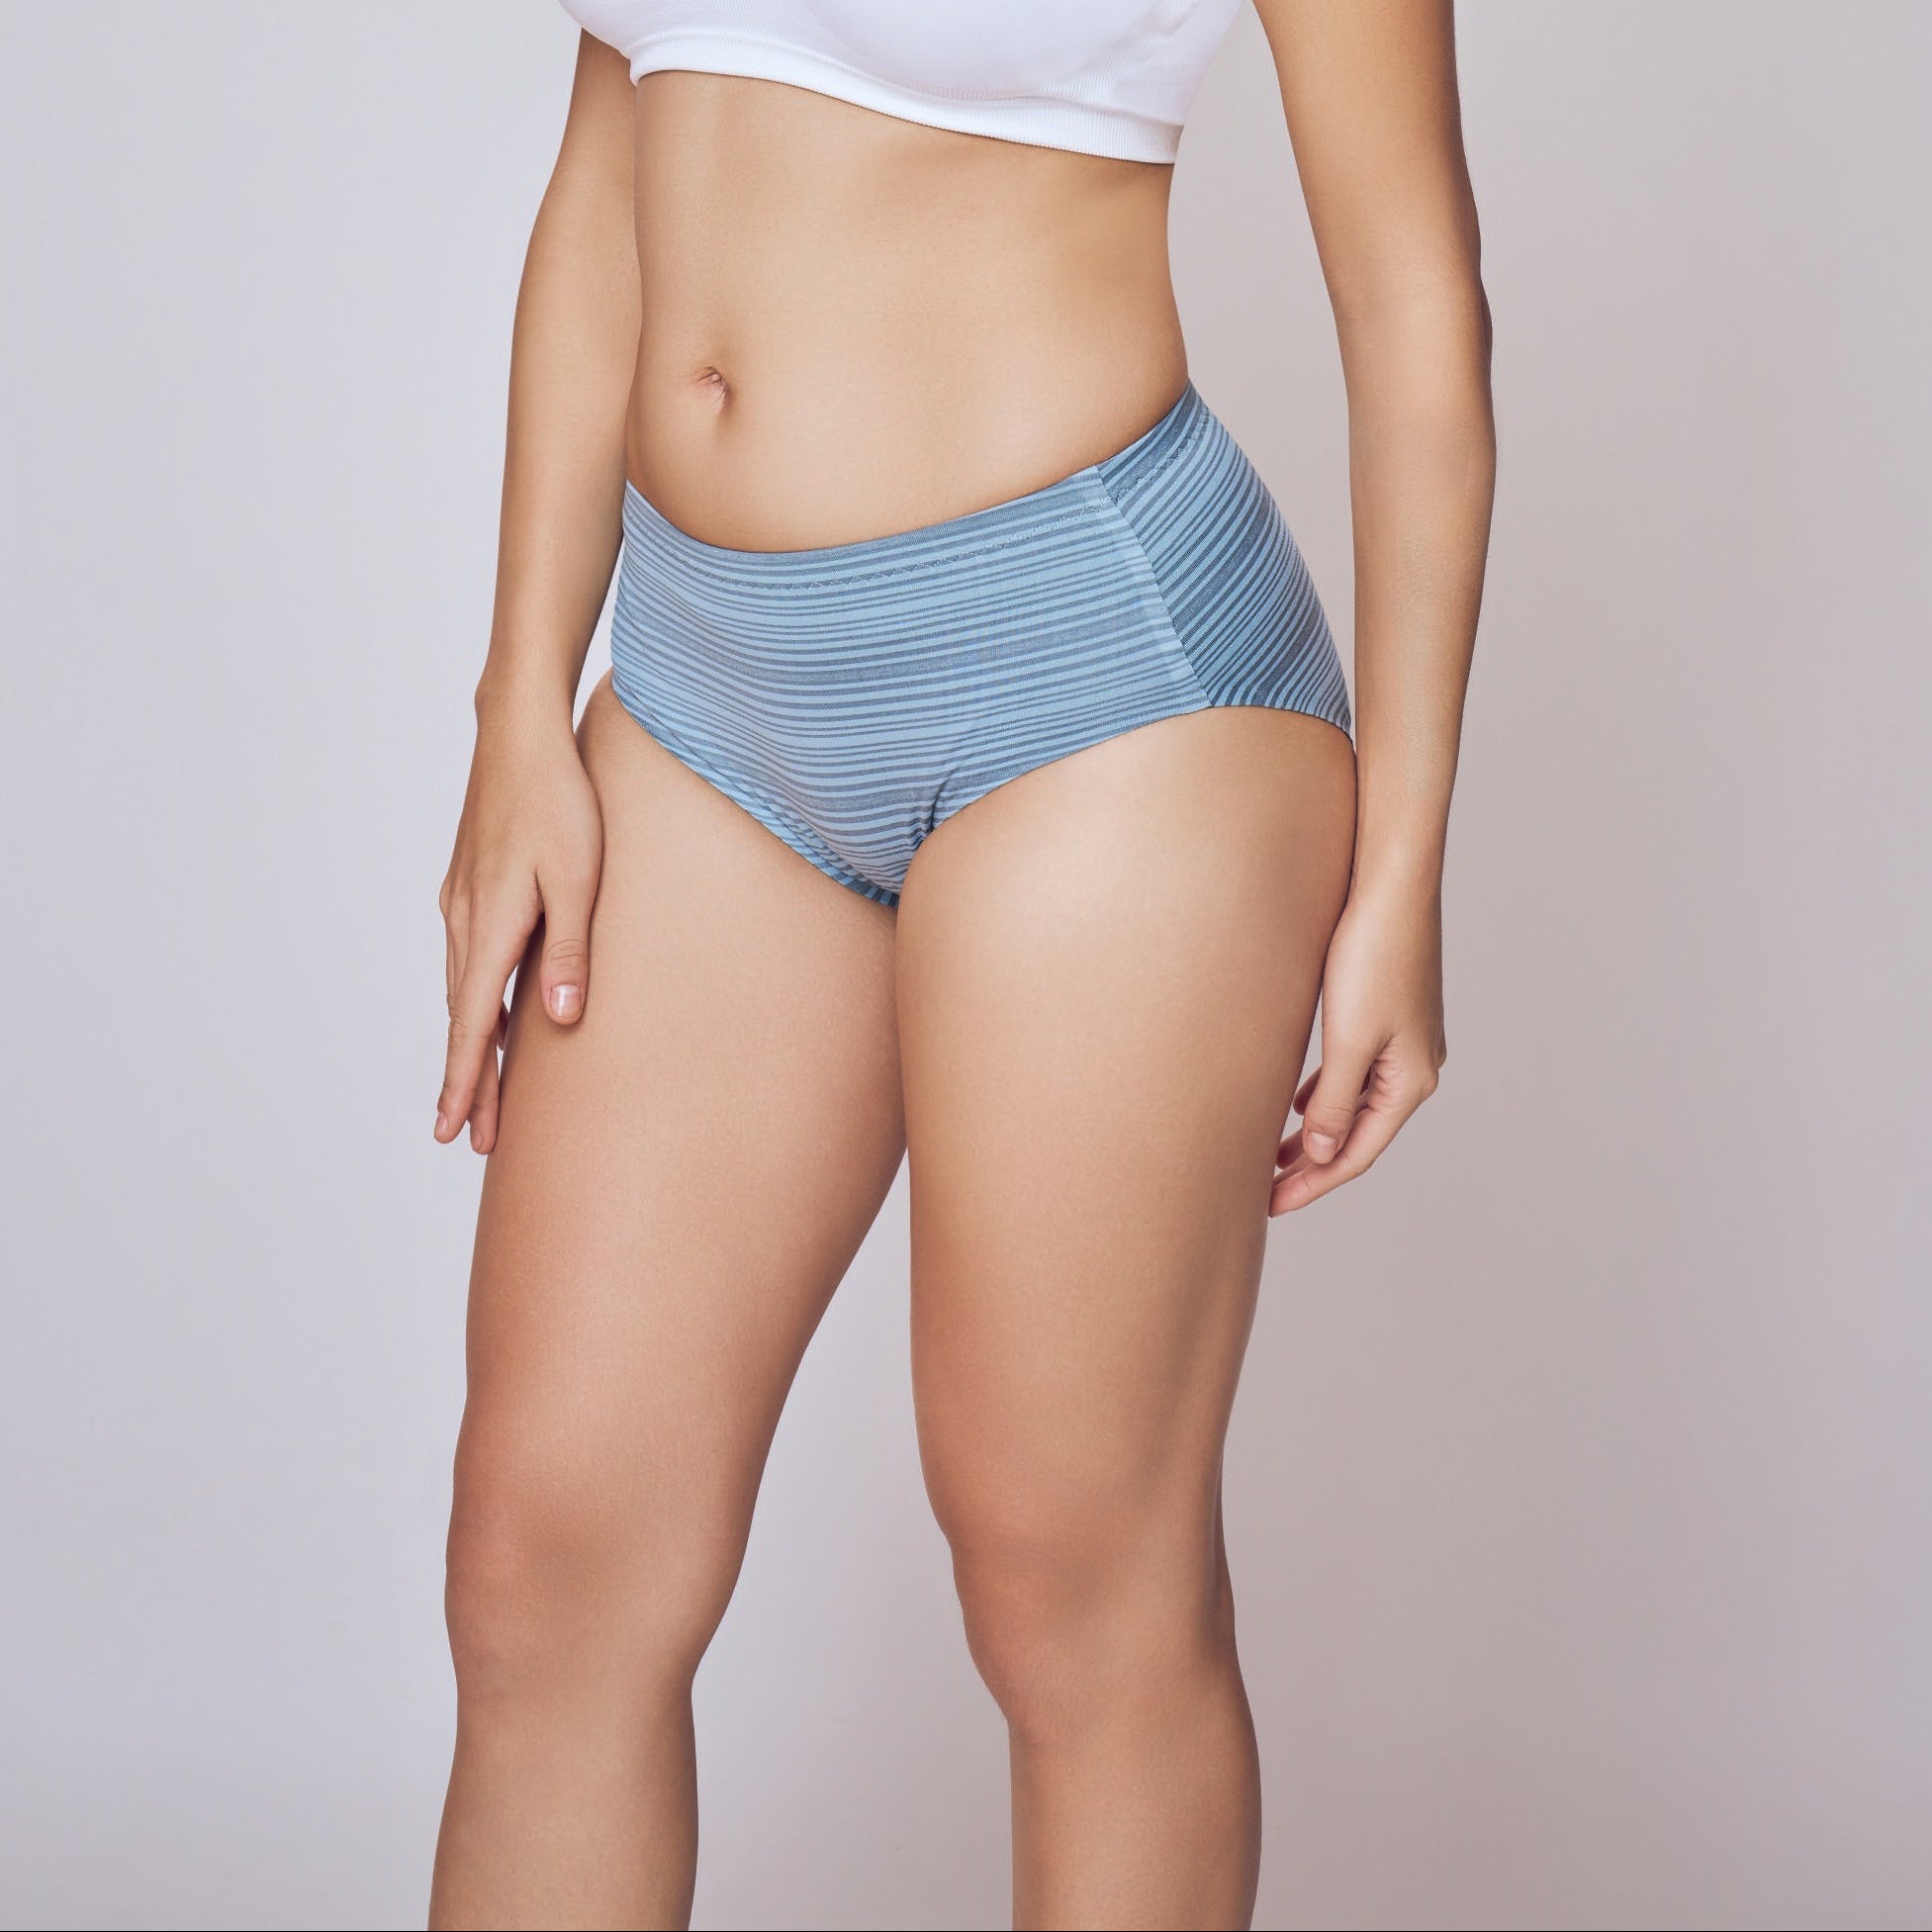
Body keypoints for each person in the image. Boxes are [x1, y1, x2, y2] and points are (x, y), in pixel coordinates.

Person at [429, 4, 1493, 1926]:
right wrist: (520, 699)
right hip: (697, 685)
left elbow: (1413, 300)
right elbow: (609, 162)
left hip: (1094, 682)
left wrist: (1399, 867)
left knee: (1067, 1581)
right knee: (541, 1570)